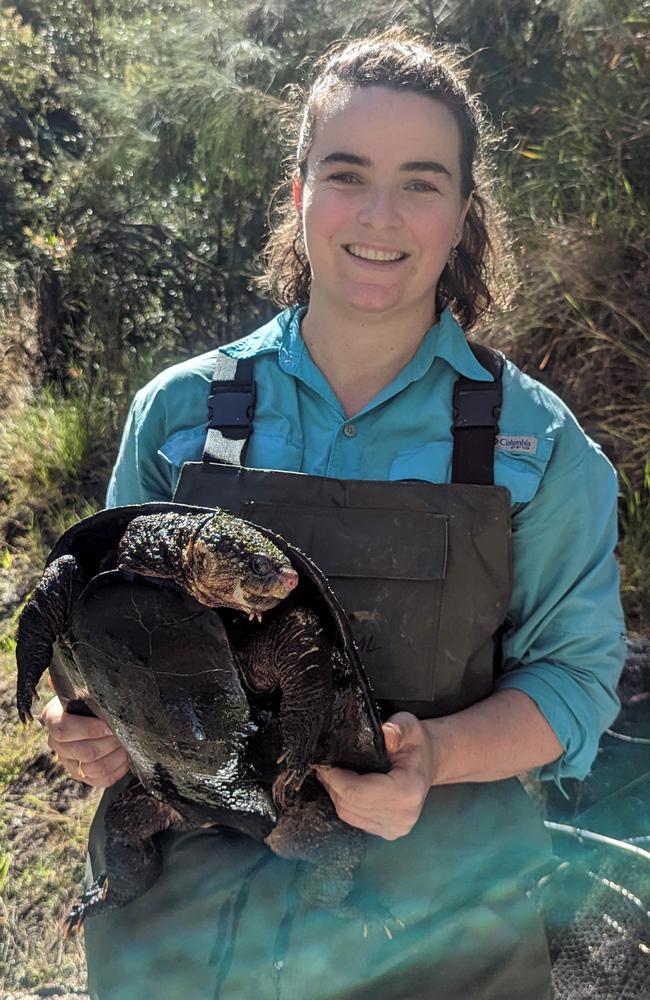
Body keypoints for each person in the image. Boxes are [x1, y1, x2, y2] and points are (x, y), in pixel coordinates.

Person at [40, 30, 626, 1000]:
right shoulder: (180, 417)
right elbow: (109, 640)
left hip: (436, 930)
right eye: (346, 173)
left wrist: (432, 754)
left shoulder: (539, 448)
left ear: (461, 215)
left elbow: (575, 683)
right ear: (299, 192)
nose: (379, 214)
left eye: (421, 182)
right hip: (186, 934)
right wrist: (95, 723)